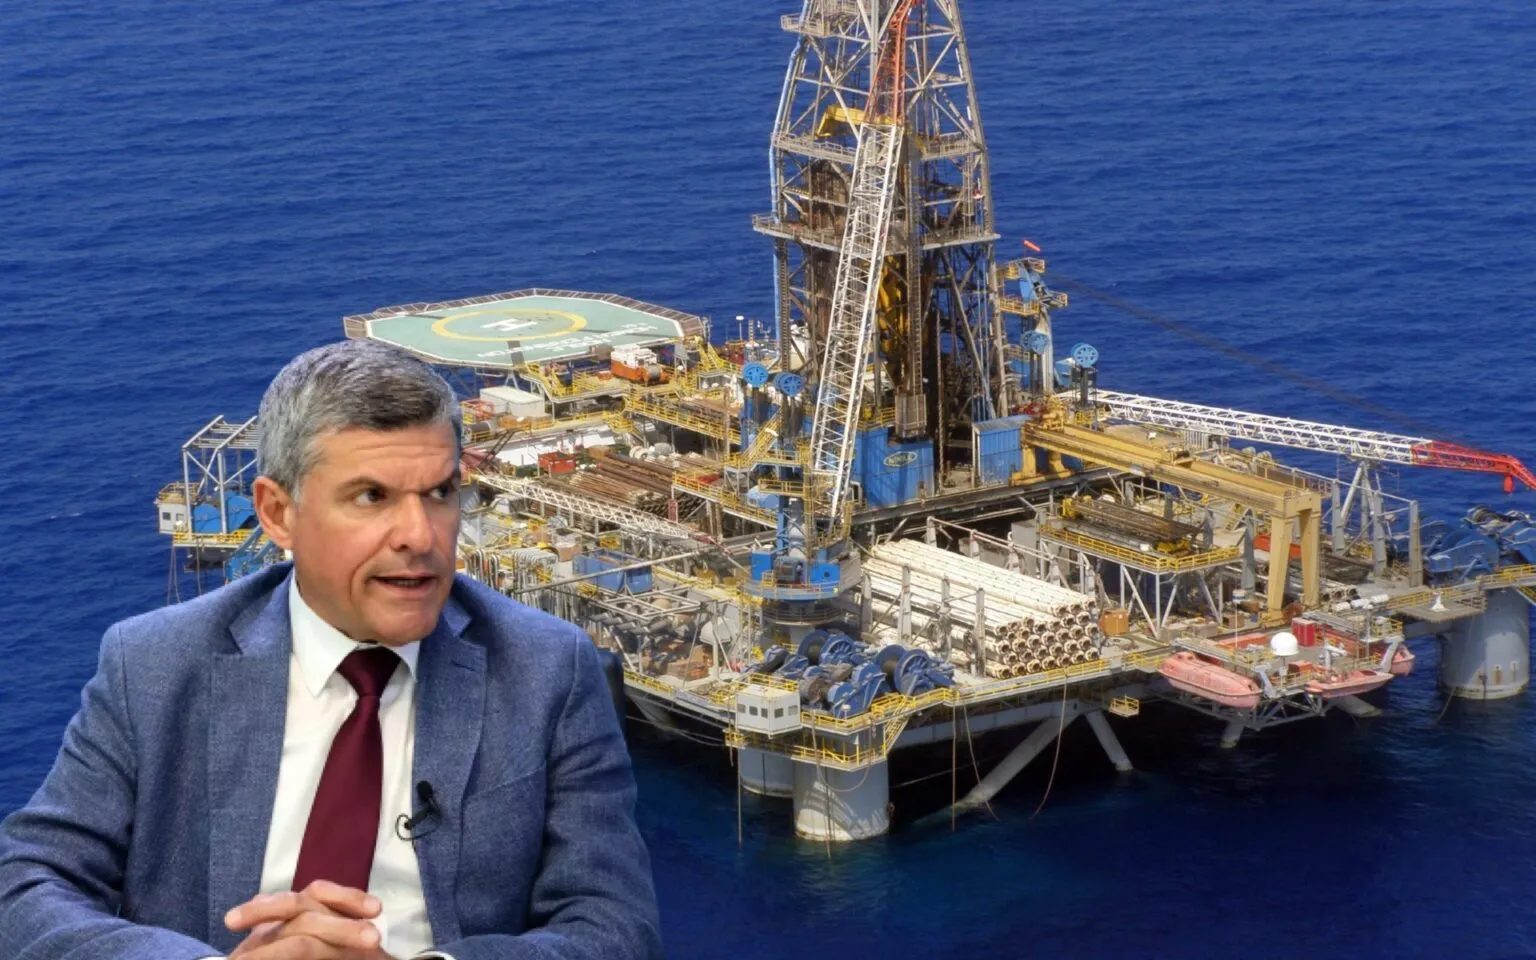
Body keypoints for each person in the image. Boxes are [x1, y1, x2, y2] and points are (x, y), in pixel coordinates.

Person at [0, 340, 663, 959]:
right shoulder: (151, 664)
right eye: (372, 496)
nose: (419, 535)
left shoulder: (549, 668)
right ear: (277, 513)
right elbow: (25, 887)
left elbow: (614, 925)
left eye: (440, 493)